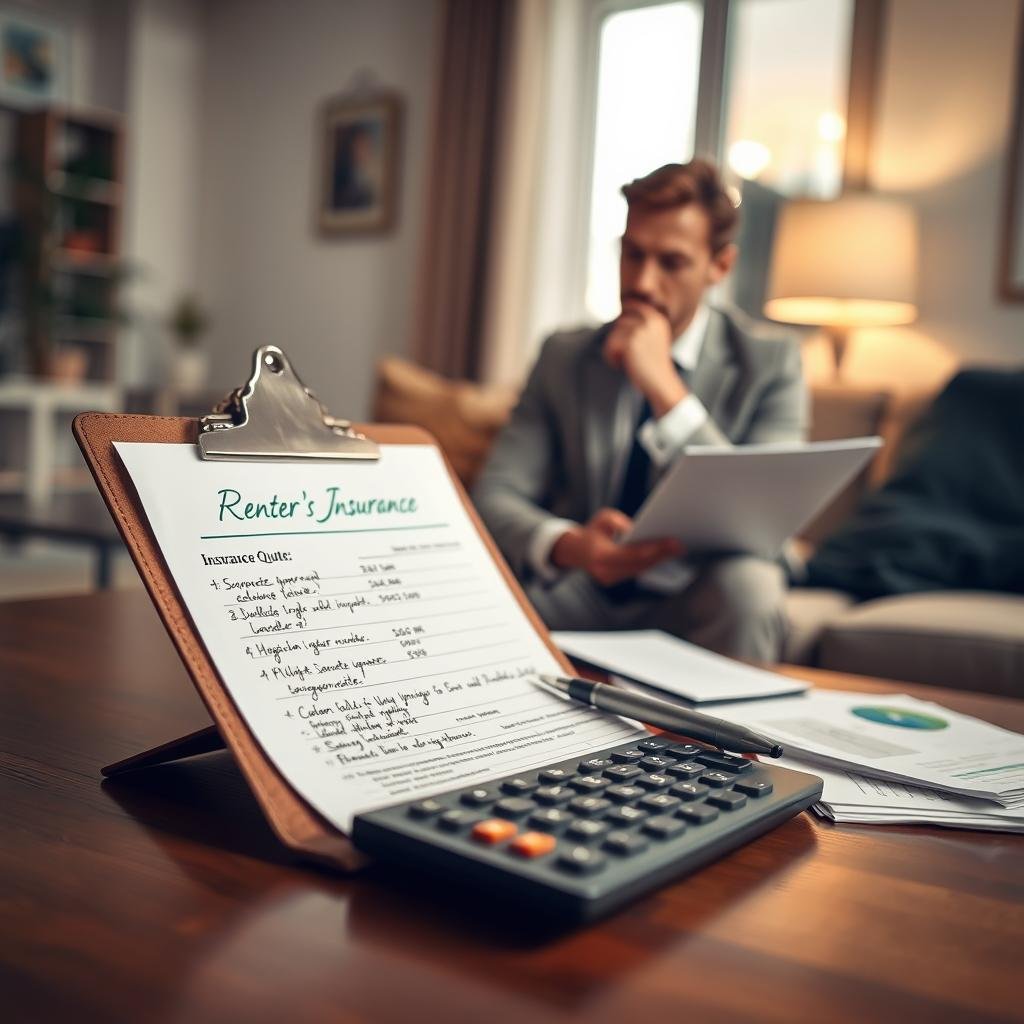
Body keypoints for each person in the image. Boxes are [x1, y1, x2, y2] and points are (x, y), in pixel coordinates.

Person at [472, 159, 807, 662]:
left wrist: (666, 391)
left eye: (671, 263)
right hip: (584, 589)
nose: (644, 284)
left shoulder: (771, 362)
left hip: (699, 591)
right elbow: (495, 496)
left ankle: (730, 744)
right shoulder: (566, 355)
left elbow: (764, 523)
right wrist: (570, 544)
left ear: (720, 267)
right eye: (632, 255)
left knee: (752, 589)